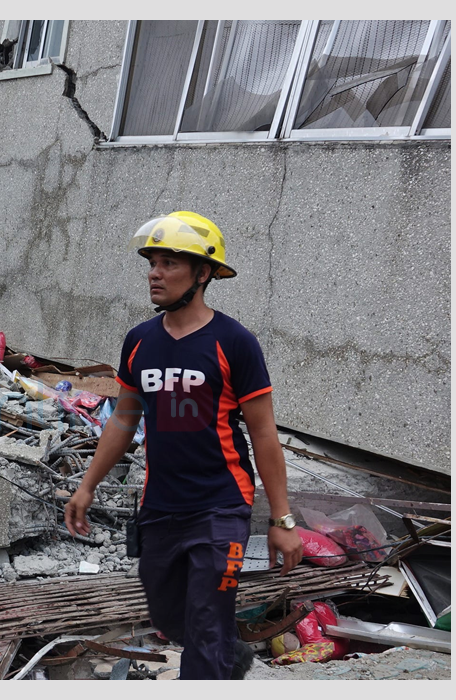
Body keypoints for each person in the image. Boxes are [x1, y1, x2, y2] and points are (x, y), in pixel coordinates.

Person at [63, 211, 303, 680]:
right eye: (152, 262)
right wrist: (87, 485)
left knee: (208, 623)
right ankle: (227, 658)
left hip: (220, 506)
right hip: (160, 506)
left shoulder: (235, 342)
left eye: (170, 263)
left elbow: (265, 435)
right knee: (170, 616)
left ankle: (211, 664)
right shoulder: (139, 341)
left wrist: (282, 518)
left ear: (204, 273)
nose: (155, 272)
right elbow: (124, 419)